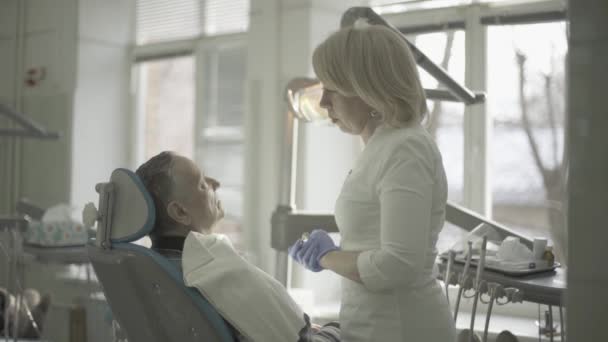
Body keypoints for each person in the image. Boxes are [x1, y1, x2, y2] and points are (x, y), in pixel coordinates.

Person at [288, 19, 457, 341]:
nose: (323, 103)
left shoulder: (406, 148)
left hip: (404, 328)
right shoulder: (382, 147)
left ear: (369, 90)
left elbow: (398, 265)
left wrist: (327, 256)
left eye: (332, 91)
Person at [135, 151, 340, 342]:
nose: (215, 183)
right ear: (180, 212)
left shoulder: (158, 268)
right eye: (202, 184)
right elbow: (295, 337)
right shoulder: (213, 267)